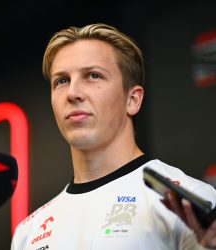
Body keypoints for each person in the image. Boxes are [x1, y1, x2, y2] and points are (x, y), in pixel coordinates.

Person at [11, 23, 216, 249]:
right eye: (62, 81)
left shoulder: (190, 204)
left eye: (93, 75)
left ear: (133, 100)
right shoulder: (28, 233)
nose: (73, 93)